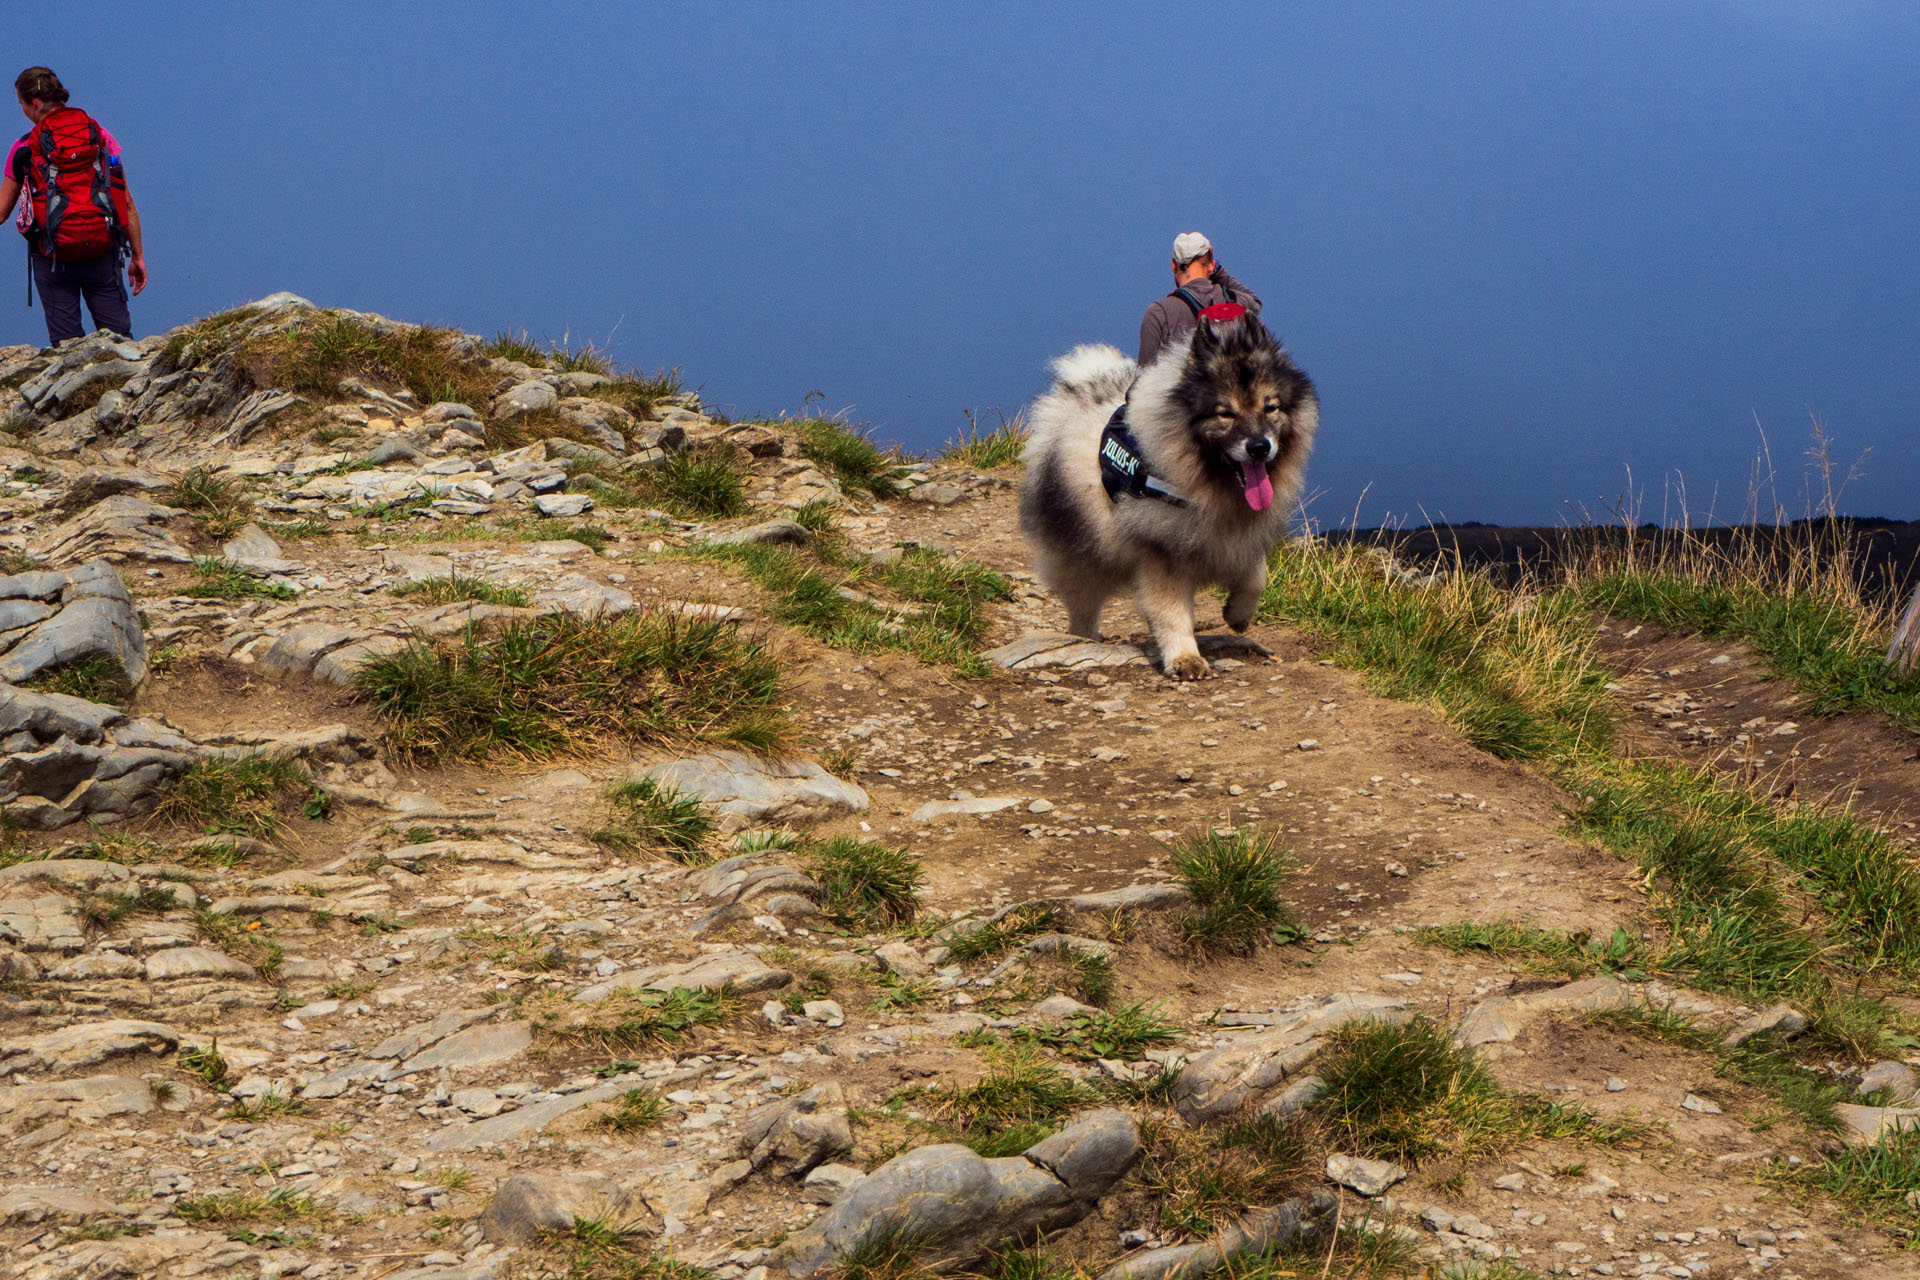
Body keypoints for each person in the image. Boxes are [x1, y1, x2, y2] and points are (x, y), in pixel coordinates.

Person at [0, 67, 146, 346]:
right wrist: (137, 256)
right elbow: (124, 202)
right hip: (101, 251)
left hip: (52, 257)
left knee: (67, 348)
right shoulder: (100, 136)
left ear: (34, 103)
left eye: (20, 103)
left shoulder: (23, 148)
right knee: (120, 343)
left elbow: (2, 212)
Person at [1138, 231, 1261, 366]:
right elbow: (1255, 302)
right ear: (1211, 265)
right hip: (1229, 385)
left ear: (1174, 265)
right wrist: (1217, 270)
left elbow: (1145, 374)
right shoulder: (1236, 301)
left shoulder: (1159, 313)